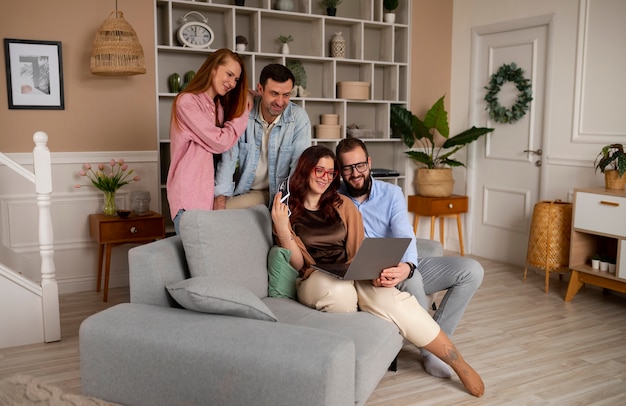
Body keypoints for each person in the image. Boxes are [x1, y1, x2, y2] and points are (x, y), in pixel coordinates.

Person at [271, 145, 484, 397]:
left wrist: (371, 270)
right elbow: (297, 264)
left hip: (351, 272)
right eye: (320, 170)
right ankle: (359, 305)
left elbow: (360, 247)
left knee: (396, 301)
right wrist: (282, 228)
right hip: (316, 277)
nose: (325, 177)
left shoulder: (342, 204)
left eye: (331, 172)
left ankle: (456, 361)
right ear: (305, 170)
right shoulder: (286, 209)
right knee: (339, 293)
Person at [335, 137, 484, 379]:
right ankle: (431, 354)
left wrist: (408, 266)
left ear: (369, 162)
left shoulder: (391, 193)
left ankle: (434, 346)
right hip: (371, 271)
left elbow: (406, 234)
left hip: (403, 261)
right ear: (340, 171)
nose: (355, 173)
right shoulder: (334, 199)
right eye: (348, 168)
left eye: (360, 165)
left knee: (472, 270)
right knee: (413, 282)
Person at [166, 48, 250, 234]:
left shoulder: (217, 106)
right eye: (229, 74)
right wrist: (244, 109)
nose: (232, 83)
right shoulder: (187, 102)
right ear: (213, 68)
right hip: (189, 198)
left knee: (206, 261)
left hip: (207, 199)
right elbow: (220, 142)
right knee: (196, 262)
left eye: (236, 79)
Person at [213, 63, 311, 210]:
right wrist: (220, 198)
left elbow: (298, 170)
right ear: (260, 89)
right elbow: (229, 159)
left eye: (286, 95)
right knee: (219, 212)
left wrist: (288, 206)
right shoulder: (243, 113)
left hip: (280, 194)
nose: (280, 102)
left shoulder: (299, 119)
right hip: (247, 191)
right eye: (274, 93)